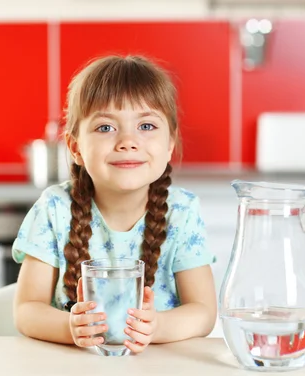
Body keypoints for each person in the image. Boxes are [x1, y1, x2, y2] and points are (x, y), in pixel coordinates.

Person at [12, 54, 217, 354]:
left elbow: (203, 312)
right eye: (106, 128)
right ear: (75, 147)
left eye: (146, 126)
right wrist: (69, 328)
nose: (128, 141)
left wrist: (157, 326)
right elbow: (27, 310)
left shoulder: (182, 212)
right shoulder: (54, 208)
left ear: (171, 143)